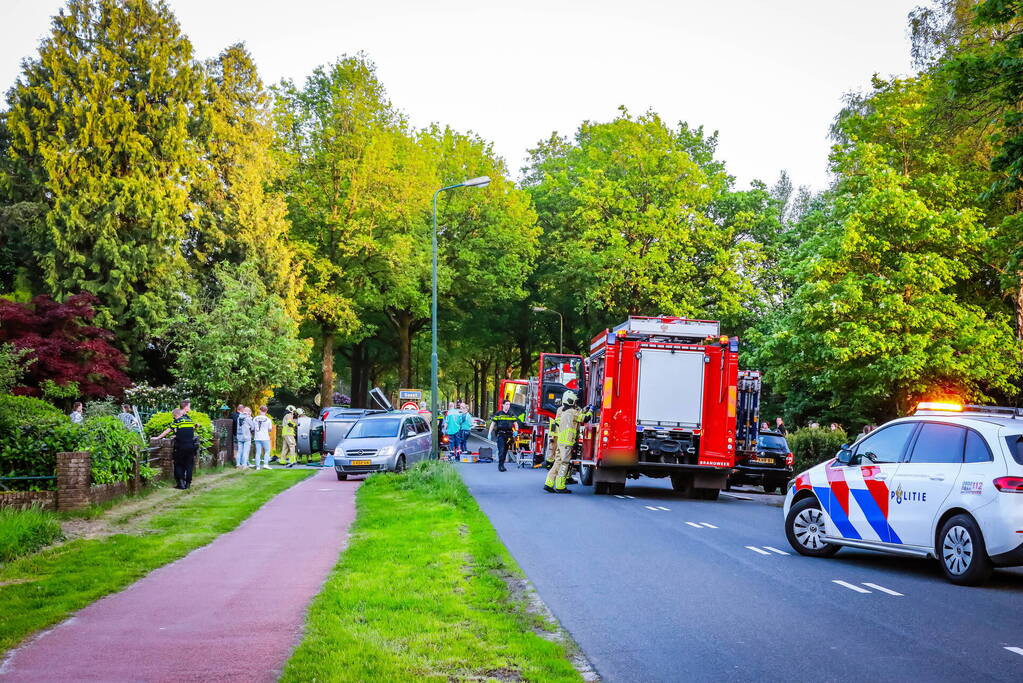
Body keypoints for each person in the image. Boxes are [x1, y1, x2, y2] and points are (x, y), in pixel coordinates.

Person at [544, 391, 589, 493]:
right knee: (564, 463)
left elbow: (578, 414)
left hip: (561, 441)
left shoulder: (563, 411)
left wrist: (584, 410)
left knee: (557, 462)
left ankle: (548, 483)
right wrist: (590, 411)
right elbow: (585, 418)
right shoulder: (572, 412)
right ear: (571, 400)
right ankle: (560, 486)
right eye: (574, 401)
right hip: (567, 442)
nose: (575, 403)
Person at [156, 408, 199, 489]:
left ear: (175, 415)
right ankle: (188, 484)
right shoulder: (189, 421)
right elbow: (190, 429)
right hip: (191, 446)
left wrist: (158, 437)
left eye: (173, 416)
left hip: (181, 447)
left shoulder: (176, 422)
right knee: (189, 465)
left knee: (178, 464)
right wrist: (177, 434)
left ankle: (181, 484)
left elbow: (167, 431)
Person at [490, 399, 525, 472]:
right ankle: (500, 465)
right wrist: (489, 433)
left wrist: (516, 431)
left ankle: (502, 464)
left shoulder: (511, 414)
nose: (508, 406)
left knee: (505, 450)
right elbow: (493, 424)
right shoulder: (498, 414)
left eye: (509, 404)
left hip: (509, 435)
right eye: (506, 404)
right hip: (501, 434)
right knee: (501, 450)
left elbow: (516, 423)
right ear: (503, 405)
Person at [251, 405, 273, 470]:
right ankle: (265, 464)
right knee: (267, 451)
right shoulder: (268, 419)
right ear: (266, 411)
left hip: (257, 437)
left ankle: (257, 466)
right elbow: (270, 429)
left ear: (260, 410)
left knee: (258, 452)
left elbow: (252, 428)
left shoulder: (255, 418)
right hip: (265, 437)